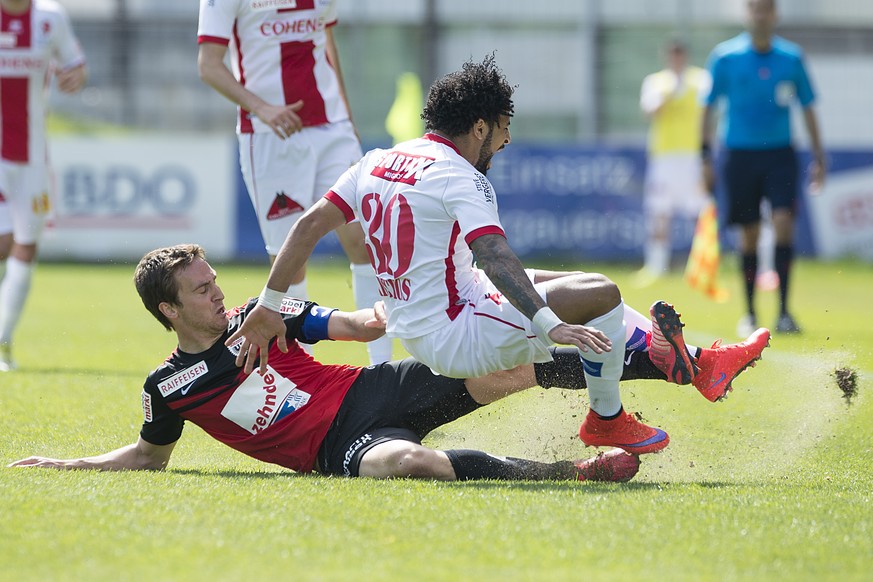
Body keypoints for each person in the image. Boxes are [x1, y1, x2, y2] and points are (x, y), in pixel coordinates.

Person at [228, 55, 772, 457]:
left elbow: (306, 227)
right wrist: (547, 323)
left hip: (428, 316)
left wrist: (271, 303)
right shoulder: (459, 176)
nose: (508, 140)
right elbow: (491, 253)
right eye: (505, 127)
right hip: (455, 329)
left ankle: (699, 363)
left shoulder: (376, 160)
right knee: (600, 295)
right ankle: (608, 418)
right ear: (480, 126)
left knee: (576, 284)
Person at [9, 243, 649, 483]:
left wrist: (382, 316)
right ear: (169, 311)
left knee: (507, 362)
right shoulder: (169, 387)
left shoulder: (259, 319)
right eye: (201, 289)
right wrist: (67, 462)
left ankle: (664, 361)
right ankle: (573, 470)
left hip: (376, 389)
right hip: (338, 447)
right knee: (406, 464)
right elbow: (149, 455)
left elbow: (345, 323)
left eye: (212, 280)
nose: (218, 292)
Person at [196, 0, 392, 365]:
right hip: (272, 136)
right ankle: (307, 371)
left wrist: (346, 120)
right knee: (290, 261)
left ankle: (383, 367)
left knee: (365, 242)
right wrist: (263, 108)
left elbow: (328, 45)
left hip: (333, 130)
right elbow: (209, 66)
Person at [701, 0, 826, 337]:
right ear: (747, 14)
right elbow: (708, 107)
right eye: (755, 8)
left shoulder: (792, 58)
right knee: (749, 233)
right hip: (738, 155)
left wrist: (819, 155)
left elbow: (808, 106)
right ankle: (751, 313)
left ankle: (785, 311)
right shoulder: (725, 57)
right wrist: (705, 157)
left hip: (780, 154)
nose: (761, 14)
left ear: (775, 14)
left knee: (784, 223)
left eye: (766, 8)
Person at [0, 0, 86, 371]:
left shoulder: (50, 18)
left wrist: (75, 76)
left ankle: (3, 343)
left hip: (33, 158)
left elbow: (76, 66)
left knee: (26, 247)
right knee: (5, 242)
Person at [636, 39, 711, 284]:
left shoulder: (700, 80)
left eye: (680, 54)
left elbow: (709, 111)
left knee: (701, 212)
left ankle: (705, 265)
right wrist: (667, 94)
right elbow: (649, 110)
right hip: (664, 157)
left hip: (692, 156)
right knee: (659, 212)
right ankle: (656, 265)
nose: (676, 59)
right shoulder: (656, 82)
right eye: (672, 55)